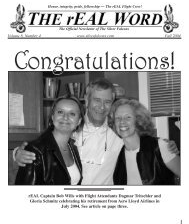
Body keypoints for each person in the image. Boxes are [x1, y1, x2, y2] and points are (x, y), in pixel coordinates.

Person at [13, 78, 179, 185]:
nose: (101, 106)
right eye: (97, 100)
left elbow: (142, 138)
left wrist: (166, 145)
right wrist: (17, 153)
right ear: (87, 98)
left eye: (107, 101)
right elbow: (43, 145)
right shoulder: (71, 125)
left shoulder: (118, 129)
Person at [15, 95, 85, 185]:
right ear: (53, 117)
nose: (65, 117)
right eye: (60, 112)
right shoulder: (35, 151)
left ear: (79, 121)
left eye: (72, 114)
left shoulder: (73, 148)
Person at [110, 98, 180, 185]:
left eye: (128, 117)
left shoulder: (160, 146)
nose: (122, 122)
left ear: (138, 120)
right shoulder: (117, 155)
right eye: (118, 118)